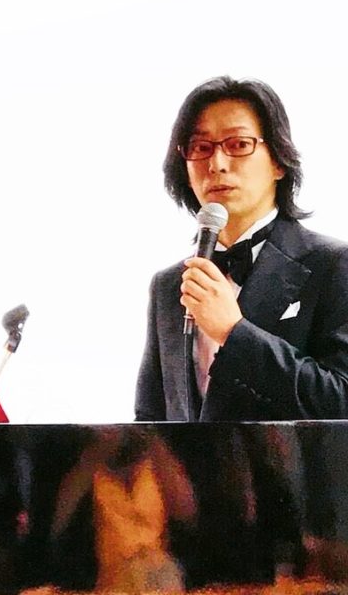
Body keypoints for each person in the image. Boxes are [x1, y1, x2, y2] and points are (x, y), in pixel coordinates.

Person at [135, 76, 348, 421]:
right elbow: (151, 420)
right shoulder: (170, 285)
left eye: (238, 144)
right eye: (200, 147)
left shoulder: (334, 265)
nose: (216, 163)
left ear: (278, 161)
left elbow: (340, 400)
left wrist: (233, 332)